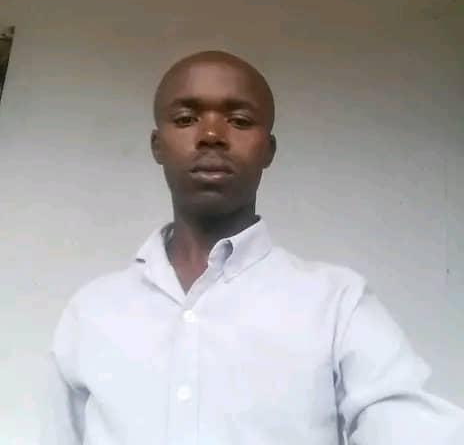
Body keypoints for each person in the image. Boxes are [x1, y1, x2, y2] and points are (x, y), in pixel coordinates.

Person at [42, 50, 463, 444]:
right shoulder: (92, 311)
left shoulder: (337, 304)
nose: (211, 135)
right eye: (186, 118)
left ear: (268, 150)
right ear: (157, 145)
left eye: (240, 121)